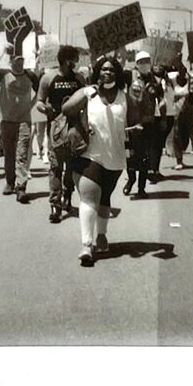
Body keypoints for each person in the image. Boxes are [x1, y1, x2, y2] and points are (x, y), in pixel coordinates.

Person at [62, 55, 129, 266]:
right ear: (97, 71)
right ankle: (86, 245)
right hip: (88, 153)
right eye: (103, 69)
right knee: (89, 196)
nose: (107, 72)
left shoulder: (125, 97)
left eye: (111, 70)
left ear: (117, 74)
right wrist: (85, 94)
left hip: (114, 156)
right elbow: (66, 109)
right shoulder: (88, 93)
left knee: (105, 197)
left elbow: (139, 117)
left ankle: (102, 234)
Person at [36, 45, 85, 222]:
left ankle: (68, 198)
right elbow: (39, 102)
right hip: (55, 130)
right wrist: (45, 109)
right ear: (67, 61)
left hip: (75, 130)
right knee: (55, 167)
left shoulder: (80, 79)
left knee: (72, 168)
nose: (77, 63)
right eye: (75, 60)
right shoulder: (48, 78)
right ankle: (55, 206)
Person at [0, 44, 40, 203]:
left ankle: (21, 187)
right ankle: (10, 182)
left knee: (22, 153)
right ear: (10, 63)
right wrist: (2, 51)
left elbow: (40, 91)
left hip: (24, 120)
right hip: (7, 120)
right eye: (16, 61)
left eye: (21, 60)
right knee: (9, 153)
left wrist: (31, 105)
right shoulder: (4, 74)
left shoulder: (30, 75)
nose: (19, 63)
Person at [123, 78, 155, 197]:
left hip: (144, 133)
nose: (137, 92)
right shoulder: (125, 99)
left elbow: (150, 114)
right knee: (129, 160)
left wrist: (142, 123)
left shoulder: (147, 99)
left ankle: (141, 188)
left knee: (144, 161)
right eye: (134, 89)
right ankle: (131, 180)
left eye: (139, 89)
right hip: (128, 134)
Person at [168, 66, 193, 171]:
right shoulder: (173, 82)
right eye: (180, 73)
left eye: (184, 73)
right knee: (177, 135)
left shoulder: (189, 82)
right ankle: (179, 159)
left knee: (186, 134)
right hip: (176, 111)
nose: (182, 74)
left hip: (188, 112)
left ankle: (181, 156)